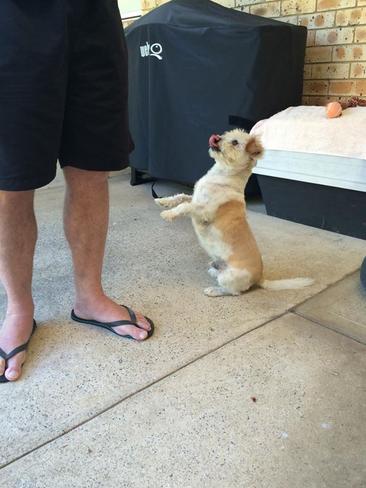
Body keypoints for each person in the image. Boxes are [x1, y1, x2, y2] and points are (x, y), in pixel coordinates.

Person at [0, 1, 154, 383]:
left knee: (91, 167)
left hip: (93, 15)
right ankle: (18, 308)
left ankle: (90, 297)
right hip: (12, 17)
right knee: (9, 179)